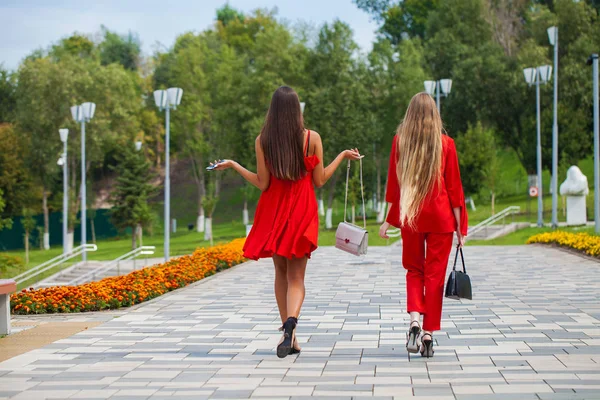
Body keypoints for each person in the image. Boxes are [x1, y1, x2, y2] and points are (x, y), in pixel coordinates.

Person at [212, 86, 361, 358]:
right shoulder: (311, 138)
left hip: (273, 213)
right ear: (296, 110)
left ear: (273, 109)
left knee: (280, 274)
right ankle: (291, 326)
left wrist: (234, 165)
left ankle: (287, 332)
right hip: (301, 211)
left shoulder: (263, 141)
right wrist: (341, 155)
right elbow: (319, 180)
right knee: (297, 277)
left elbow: (263, 183)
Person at [379, 92, 468, 358]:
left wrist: (387, 219)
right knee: (435, 276)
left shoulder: (400, 141)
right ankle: (428, 333)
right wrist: (460, 227)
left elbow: (394, 185)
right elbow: (454, 187)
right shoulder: (446, 144)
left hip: (412, 215)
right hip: (441, 217)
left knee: (414, 270)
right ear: (434, 115)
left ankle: (415, 320)